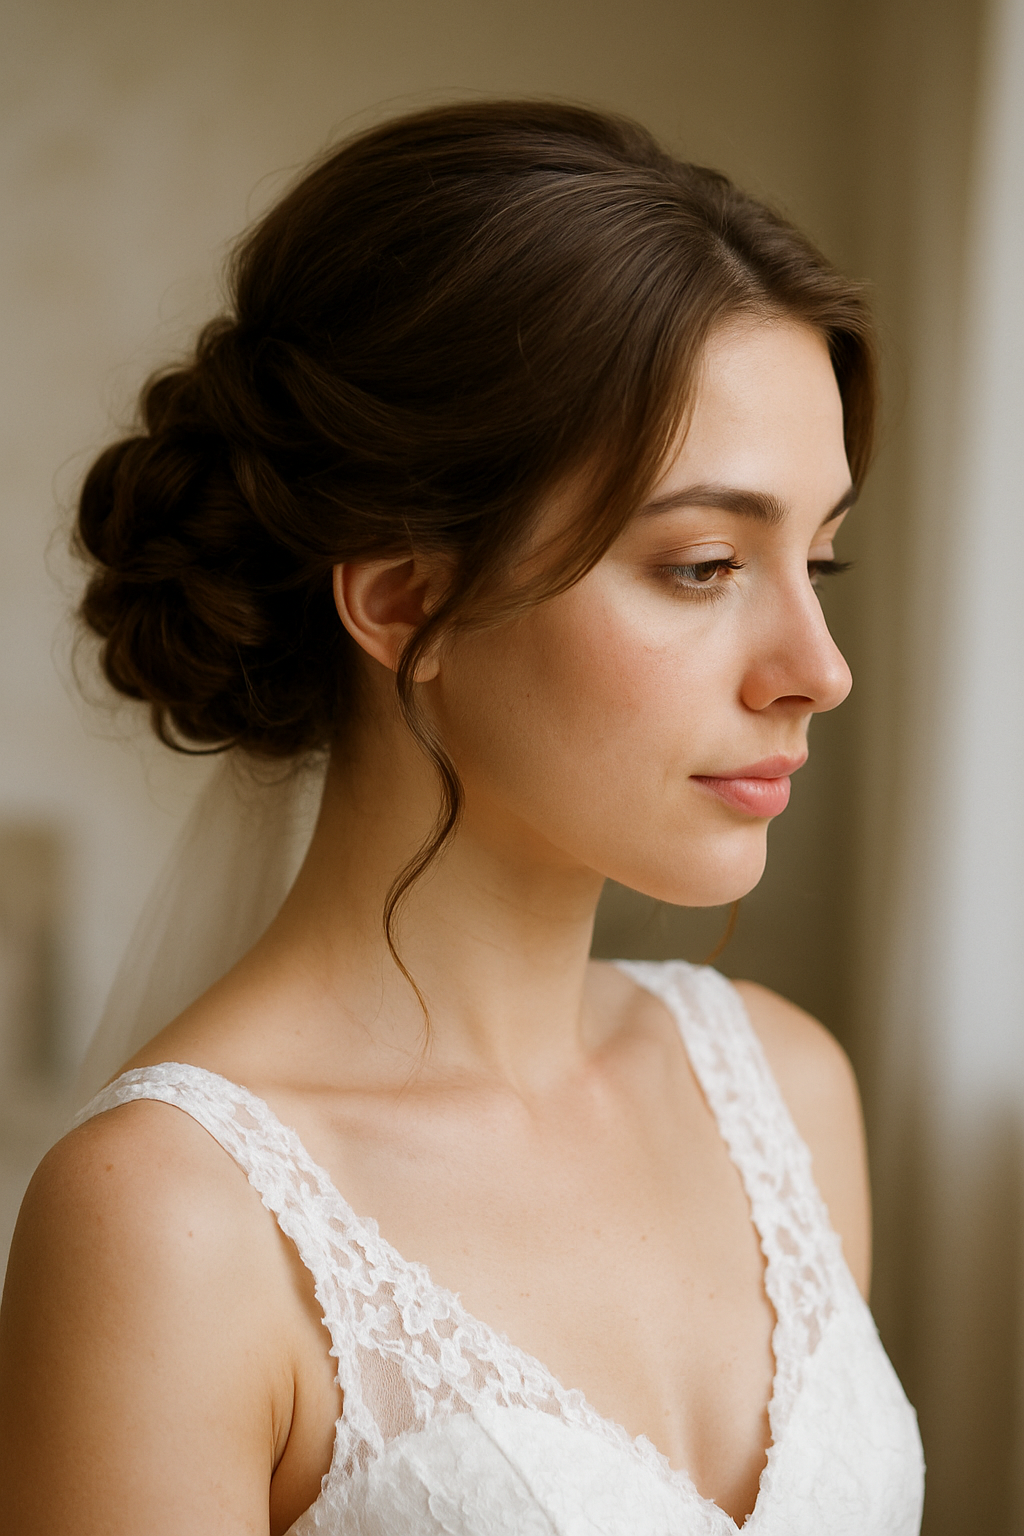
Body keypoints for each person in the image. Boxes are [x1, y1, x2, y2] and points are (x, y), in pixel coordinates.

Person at [0, 101, 924, 1534]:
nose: (819, 670)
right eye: (699, 565)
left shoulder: (786, 1091)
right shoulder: (172, 1221)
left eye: (821, 559)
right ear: (406, 602)